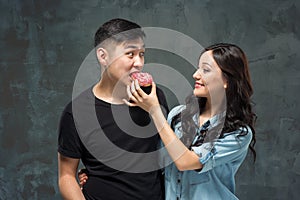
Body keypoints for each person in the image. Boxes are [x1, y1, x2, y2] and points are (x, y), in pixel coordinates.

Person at [123, 43, 257, 199]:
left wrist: (154, 110)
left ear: (226, 81)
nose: (195, 75)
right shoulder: (178, 115)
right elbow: (155, 161)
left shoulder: (238, 134)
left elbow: (185, 162)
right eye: (198, 68)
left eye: (205, 70)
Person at [58, 18, 169, 200]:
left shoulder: (154, 97)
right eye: (130, 54)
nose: (139, 63)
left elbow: (169, 154)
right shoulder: (76, 112)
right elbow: (66, 175)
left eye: (141, 54)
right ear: (103, 56)